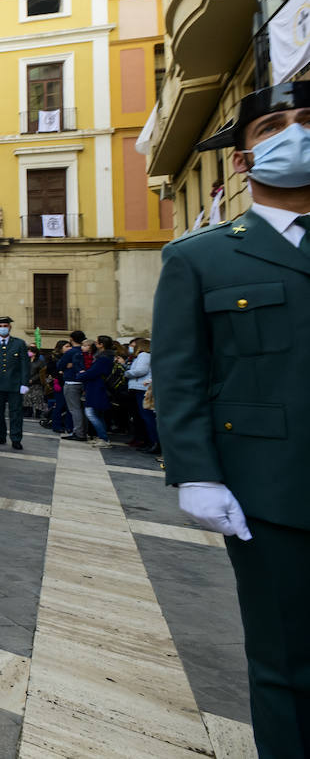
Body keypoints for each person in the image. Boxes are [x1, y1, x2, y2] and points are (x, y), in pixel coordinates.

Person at [153, 82, 310, 758]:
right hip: (272, 491)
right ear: (242, 161)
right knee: (285, 663)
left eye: (307, 121)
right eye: (274, 125)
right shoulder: (200, 257)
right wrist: (195, 474)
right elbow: (181, 375)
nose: (296, 134)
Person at [0, 315, 29, 450]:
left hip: (14, 385)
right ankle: (0, 435)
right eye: (0, 326)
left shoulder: (19, 343)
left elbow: (25, 365)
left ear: (10, 327)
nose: (2, 328)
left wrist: (24, 383)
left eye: (5, 326)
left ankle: (16, 438)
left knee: (16, 413)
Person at [76, 339, 113, 448]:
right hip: (96, 388)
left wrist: (81, 375)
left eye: (96, 343)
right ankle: (101, 437)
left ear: (102, 345)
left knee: (90, 413)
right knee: (97, 414)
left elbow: (93, 373)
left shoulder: (103, 359)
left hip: (97, 388)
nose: (94, 345)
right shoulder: (102, 357)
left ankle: (104, 439)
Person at [126, 338, 158, 454]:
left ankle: (154, 442)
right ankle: (149, 441)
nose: (132, 347)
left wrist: (127, 372)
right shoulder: (143, 356)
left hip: (141, 387)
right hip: (139, 387)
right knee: (142, 416)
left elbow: (141, 370)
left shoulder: (143, 355)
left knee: (146, 416)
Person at [57, 330, 88, 441]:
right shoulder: (86, 350)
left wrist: (67, 366)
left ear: (71, 339)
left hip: (71, 382)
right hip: (84, 382)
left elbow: (60, 365)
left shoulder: (70, 352)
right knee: (82, 409)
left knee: (75, 409)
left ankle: (79, 433)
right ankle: (83, 431)